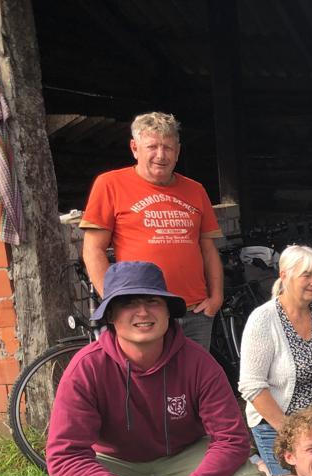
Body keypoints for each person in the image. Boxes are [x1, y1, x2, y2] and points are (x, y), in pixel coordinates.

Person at [30, 262, 265, 476]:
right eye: (128, 303)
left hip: (182, 453)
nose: (142, 312)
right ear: (111, 315)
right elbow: (65, 456)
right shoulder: (86, 368)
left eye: (153, 301)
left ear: (168, 312)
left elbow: (232, 440)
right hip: (112, 460)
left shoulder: (199, 362)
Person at [80, 112, 223, 350]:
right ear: (135, 148)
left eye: (168, 147)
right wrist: (113, 299)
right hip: (142, 313)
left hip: (194, 311)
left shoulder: (196, 190)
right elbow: (92, 250)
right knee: (144, 373)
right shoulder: (110, 184)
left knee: (194, 373)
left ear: (178, 151)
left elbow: (208, 249)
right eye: (152, 147)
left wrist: (216, 298)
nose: (161, 155)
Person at [238, 245, 312, 476]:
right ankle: (260, 465)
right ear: (284, 276)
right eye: (306, 275)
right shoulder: (263, 319)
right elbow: (252, 386)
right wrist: (291, 434)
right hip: (278, 425)